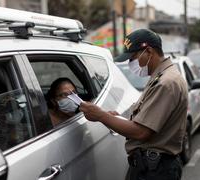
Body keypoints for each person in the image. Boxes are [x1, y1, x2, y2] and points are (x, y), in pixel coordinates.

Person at [79, 29, 188, 180]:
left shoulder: (166, 83)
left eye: (133, 57)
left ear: (149, 51)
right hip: (151, 166)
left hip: (155, 170)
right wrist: (117, 118)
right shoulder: (161, 77)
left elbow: (141, 132)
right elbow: (144, 117)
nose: (131, 63)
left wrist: (101, 116)